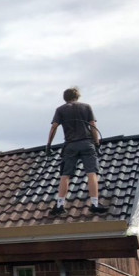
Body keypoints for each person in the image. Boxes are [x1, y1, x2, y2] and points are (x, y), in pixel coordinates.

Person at [46, 87, 108, 216]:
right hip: (87, 143)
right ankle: (95, 204)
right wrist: (97, 143)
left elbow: (54, 127)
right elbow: (93, 126)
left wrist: (49, 144)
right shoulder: (86, 107)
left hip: (70, 145)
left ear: (65, 98)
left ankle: (60, 205)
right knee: (91, 173)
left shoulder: (60, 109)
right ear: (77, 96)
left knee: (65, 175)